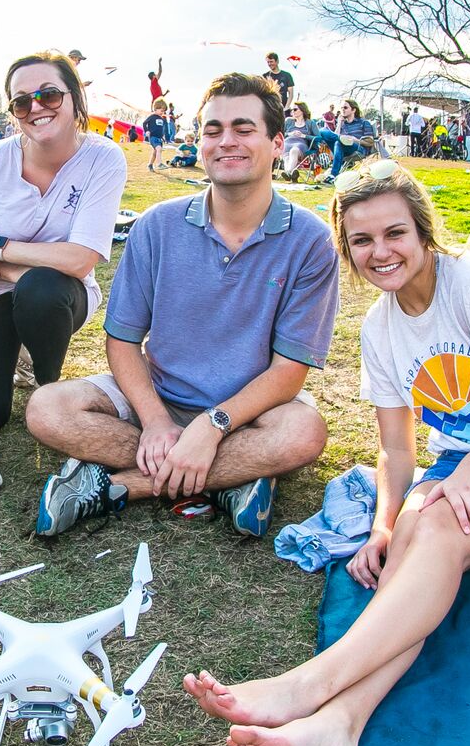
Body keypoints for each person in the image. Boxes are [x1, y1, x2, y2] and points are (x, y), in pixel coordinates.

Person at [182, 157, 470, 746]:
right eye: (362, 240)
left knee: (442, 527)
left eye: (395, 233)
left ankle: (307, 688)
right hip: (456, 469)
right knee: (412, 551)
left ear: (423, 231)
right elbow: (396, 451)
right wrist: (383, 528)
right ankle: (338, 730)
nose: (381, 251)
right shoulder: (378, 327)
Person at [29, 72, 336, 540]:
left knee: (304, 433)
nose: (225, 141)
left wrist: (212, 427)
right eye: (213, 130)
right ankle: (231, 482)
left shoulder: (311, 240)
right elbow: (124, 340)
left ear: (277, 143)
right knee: (46, 408)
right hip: (158, 394)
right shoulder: (157, 225)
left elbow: (289, 370)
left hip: (250, 411)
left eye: (243, 128)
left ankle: (117, 487)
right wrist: (154, 420)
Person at [0, 52, 126, 440]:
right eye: (21, 101)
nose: (36, 108)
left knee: (41, 290)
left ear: (74, 97)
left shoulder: (104, 158)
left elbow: (81, 260)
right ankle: (13, 352)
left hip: (60, 295)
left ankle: (47, 383)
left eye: (49, 95)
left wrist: (0, 249)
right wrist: (8, 266)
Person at [142, 97, 171, 172]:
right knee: (158, 149)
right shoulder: (152, 117)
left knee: (155, 152)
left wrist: (163, 137)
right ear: (156, 108)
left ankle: (150, 164)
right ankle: (159, 164)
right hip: (153, 137)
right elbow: (144, 123)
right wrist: (146, 131)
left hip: (159, 138)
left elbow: (160, 129)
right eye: (161, 110)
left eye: (164, 111)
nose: (162, 112)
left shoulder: (161, 119)